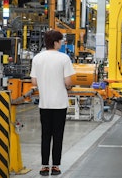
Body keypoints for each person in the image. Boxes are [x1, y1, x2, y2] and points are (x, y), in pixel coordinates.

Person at [30, 30, 76, 176]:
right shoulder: (64, 58)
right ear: (55, 42)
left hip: (44, 104)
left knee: (45, 135)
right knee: (58, 135)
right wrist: (66, 85)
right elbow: (69, 82)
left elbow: (34, 81)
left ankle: (44, 166)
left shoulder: (37, 58)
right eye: (60, 41)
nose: (61, 44)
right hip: (60, 104)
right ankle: (55, 166)